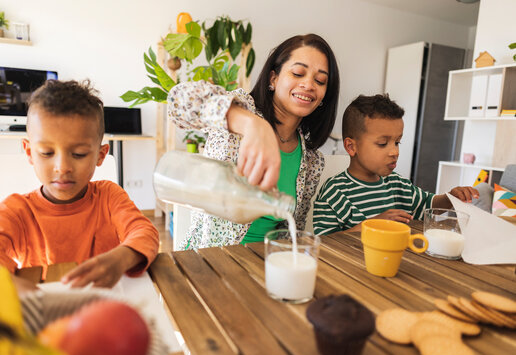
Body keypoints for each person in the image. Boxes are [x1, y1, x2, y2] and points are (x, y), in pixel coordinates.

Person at [0, 80, 159, 291]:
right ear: (29, 153)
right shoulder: (15, 210)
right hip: (40, 310)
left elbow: (145, 232)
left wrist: (122, 257)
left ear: (100, 156)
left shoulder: (109, 196)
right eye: (47, 153)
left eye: (79, 154)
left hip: (105, 305)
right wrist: (0, 283)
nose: (62, 167)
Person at [167, 33, 340, 249]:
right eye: (298, 73)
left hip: (267, 261)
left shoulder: (312, 160)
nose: (308, 84)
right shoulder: (239, 112)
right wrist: (251, 124)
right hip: (212, 259)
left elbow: (292, 230)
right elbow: (178, 101)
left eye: (320, 80)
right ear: (273, 79)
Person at [313, 94, 479, 235]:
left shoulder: (397, 184)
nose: (395, 152)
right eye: (383, 143)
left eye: (397, 142)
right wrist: (373, 224)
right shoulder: (333, 192)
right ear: (351, 146)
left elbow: (428, 205)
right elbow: (325, 243)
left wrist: (450, 197)